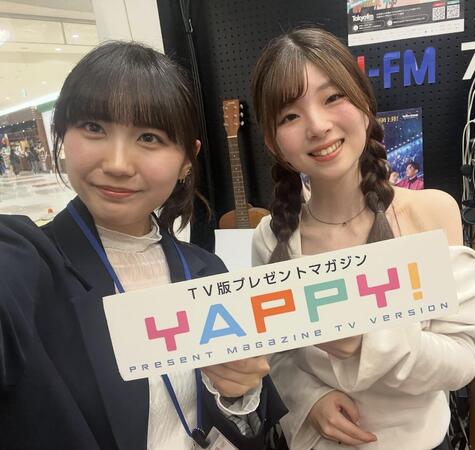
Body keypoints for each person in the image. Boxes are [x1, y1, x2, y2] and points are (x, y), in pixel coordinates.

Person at [0, 41, 285, 450]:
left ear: (187, 159)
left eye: (149, 137)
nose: (118, 163)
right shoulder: (28, 263)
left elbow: (255, 428)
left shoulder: (207, 271)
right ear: (61, 133)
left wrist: (239, 393)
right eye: (94, 128)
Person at [251, 28, 475, 450]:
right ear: (273, 142)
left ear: (364, 104)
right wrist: (310, 399)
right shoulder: (271, 238)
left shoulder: (431, 213)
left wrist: (369, 342)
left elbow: (461, 362)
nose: (318, 126)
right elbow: (279, 355)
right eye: (290, 116)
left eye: (333, 97)